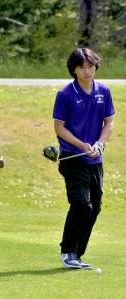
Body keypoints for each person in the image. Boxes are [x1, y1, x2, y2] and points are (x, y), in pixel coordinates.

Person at [53, 48, 115, 269]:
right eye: (82, 67)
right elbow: (59, 128)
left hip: (95, 159)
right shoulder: (65, 94)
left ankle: (77, 254)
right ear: (74, 70)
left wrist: (100, 143)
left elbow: (108, 122)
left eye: (90, 66)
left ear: (96, 66)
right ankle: (67, 251)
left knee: (95, 206)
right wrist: (82, 145)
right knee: (81, 204)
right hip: (73, 156)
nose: (87, 71)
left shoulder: (104, 91)